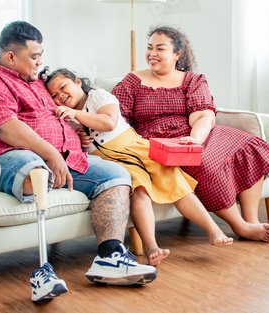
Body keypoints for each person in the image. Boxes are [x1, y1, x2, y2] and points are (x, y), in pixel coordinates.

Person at [0, 21, 157, 304]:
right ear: (11, 56)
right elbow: (7, 128)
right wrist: (51, 155)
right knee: (35, 171)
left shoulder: (38, 84)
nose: (41, 62)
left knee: (116, 175)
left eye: (42, 54)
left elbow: (58, 115)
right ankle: (41, 187)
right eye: (34, 56)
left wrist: (77, 137)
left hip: (68, 158)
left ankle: (109, 258)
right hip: (11, 154)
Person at [42, 67, 234, 266]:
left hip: (132, 146)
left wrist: (75, 114)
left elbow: (108, 122)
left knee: (175, 183)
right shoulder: (69, 117)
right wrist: (80, 137)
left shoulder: (97, 96)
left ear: (78, 82)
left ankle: (213, 230)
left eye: (63, 87)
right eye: (54, 95)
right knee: (139, 192)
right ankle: (151, 246)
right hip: (108, 161)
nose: (60, 96)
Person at [111, 26, 269, 243]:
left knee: (249, 145)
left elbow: (202, 116)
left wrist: (195, 140)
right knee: (204, 165)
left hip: (195, 135)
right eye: (149, 48)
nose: (152, 53)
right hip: (160, 143)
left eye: (160, 48)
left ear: (177, 54)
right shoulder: (132, 82)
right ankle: (239, 226)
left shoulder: (192, 80)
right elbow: (116, 119)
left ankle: (251, 220)